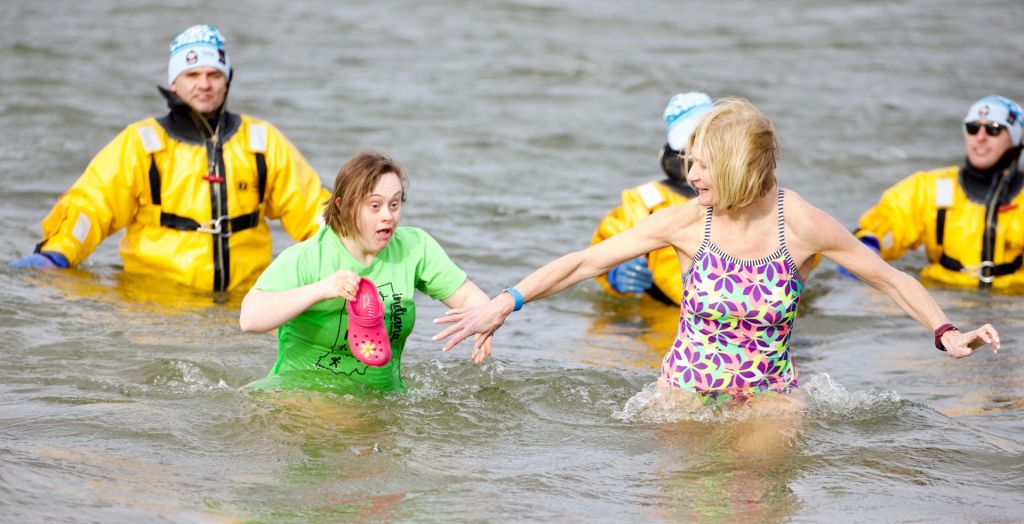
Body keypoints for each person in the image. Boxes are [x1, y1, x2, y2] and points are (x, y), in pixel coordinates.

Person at [434, 98, 999, 409]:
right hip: (683, 387)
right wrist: (505, 302)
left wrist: (944, 331)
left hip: (769, 394)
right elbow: (586, 262)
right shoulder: (687, 222)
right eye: (690, 162)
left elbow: (888, 278)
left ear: (735, 165)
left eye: (702, 164)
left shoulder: (798, 223)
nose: (691, 174)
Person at [10, 25, 328, 292]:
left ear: (227, 80)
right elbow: (91, 207)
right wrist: (55, 254)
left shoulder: (262, 141)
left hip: (242, 303)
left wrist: (352, 252)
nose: (203, 84)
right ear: (175, 82)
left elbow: (313, 209)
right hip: (154, 304)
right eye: (192, 74)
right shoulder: (141, 143)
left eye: (213, 74)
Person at [239, 150, 491, 393]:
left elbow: (469, 297)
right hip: (301, 396)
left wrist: (484, 320)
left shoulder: (415, 248)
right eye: (374, 206)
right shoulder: (307, 256)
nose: (388, 216)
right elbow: (250, 318)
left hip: (380, 400)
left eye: (394, 204)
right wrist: (321, 290)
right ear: (343, 205)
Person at [843, 95, 1024, 290]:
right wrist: (869, 245)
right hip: (941, 295)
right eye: (972, 128)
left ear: (1015, 139)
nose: (980, 137)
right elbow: (891, 219)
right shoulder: (929, 187)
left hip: (1013, 300)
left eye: (993, 129)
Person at [592, 92, 713, 305]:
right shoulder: (645, 201)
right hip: (657, 321)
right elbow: (599, 252)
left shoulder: (746, 201)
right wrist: (613, 276)